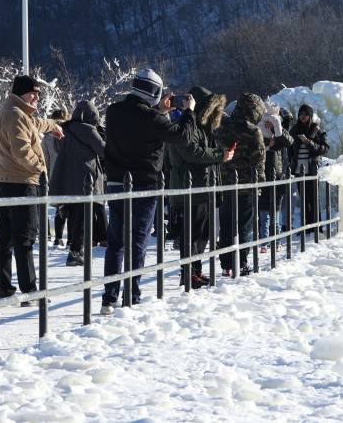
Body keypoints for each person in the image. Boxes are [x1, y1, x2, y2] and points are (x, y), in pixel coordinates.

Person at [101, 69, 196, 314]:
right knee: (138, 240)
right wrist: (189, 112)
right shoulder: (153, 119)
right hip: (144, 184)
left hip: (115, 182)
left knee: (116, 241)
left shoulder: (113, 112)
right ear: (154, 92)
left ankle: (109, 298)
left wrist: (159, 112)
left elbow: (139, 124)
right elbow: (182, 137)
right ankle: (132, 294)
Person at [0, 75, 62, 303]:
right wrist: (41, 169)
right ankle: (30, 290)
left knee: (6, 237)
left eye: (39, 95)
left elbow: (36, 124)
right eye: (34, 94)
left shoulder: (14, 111)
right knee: (25, 238)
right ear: (22, 93)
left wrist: (54, 126)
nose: (37, 99)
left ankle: (6, 288)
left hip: (4, 181)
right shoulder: (16, 115)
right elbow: (22, 151)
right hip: (21, 183)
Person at [167, 86, 233, 289]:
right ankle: (188, 273)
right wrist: (219, 155)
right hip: (191, 187)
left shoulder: (201, 126)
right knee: (191, 235)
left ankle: (195, 271)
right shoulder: (187, 125)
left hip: (201, 185)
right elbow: (192, 152)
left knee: (201, 235)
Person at [49, 101, 106, 267]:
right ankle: (76, 251)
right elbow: (103, 150)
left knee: (73, 215)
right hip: (85, 178)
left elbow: (57, 148)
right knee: (83, 216)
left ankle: (73, 248)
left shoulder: (64, 129)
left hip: (66, 177)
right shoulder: (88, 129)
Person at [216, 93, 266, 277]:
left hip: (225, 183)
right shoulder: (253, 131)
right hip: (246, 185)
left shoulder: (222, 126)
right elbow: (258, 159)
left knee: (226, 225)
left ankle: (226, 264)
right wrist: (259, 184)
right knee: (244, 225)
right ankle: (242, 262)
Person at [287, 104, 328, 237]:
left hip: (312, 169)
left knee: (313, 198)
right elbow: (290, 148)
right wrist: (292, 161)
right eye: (301, 114)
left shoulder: (316, 130)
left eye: (305, 114)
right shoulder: (294, 130)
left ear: (310, 116)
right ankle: (305, 227)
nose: (302, 117)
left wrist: (309, 143)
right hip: (299, 169)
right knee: (304, 199)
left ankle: (317, 226)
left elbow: (324, 148)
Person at [257, 111, 291, 252]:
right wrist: (266, 143)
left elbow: (289, 141)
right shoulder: (258, 131)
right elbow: (255, 146)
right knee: (264, 210)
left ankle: (276, 240)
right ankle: (264, 242)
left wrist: (276, 128)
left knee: (276, 209)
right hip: (262, 174)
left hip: (278, 174)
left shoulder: (279, 131)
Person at [43, 108, 68, 247]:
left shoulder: (48, 135)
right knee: (70, 206)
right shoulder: (70, 131)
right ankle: (70, 239)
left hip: (54, 174)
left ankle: (57, 237)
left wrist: (46, 172)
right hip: (69, 173)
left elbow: (45, 157)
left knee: (59, 206)